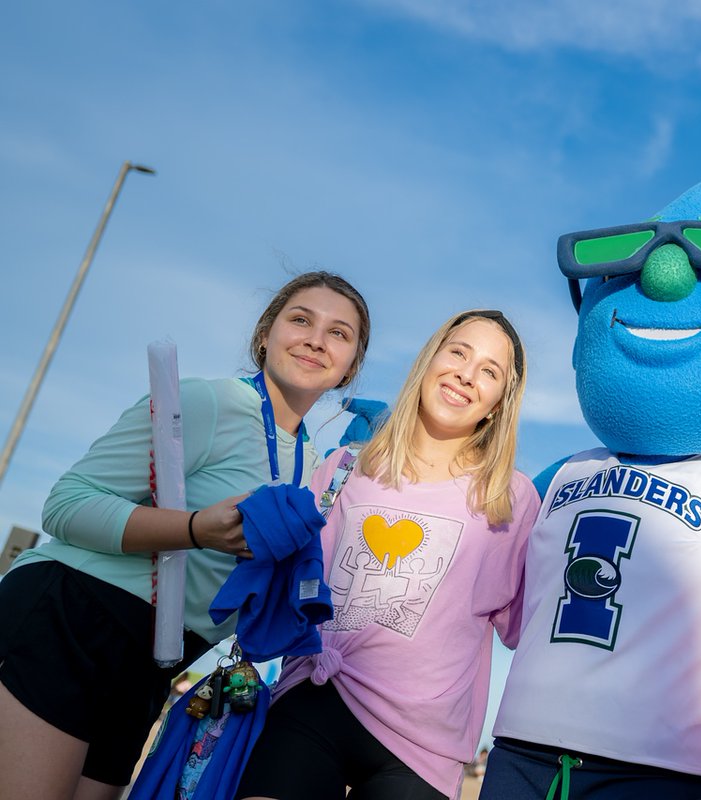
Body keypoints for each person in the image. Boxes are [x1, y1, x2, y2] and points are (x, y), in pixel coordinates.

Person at [0, 271, 371, 800]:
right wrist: (196, 529)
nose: (316, 340)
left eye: (338, 333)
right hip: (72, 619)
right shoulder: (205, 401)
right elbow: (67, 504)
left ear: (351, 365)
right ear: (265, 335)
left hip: (155, 665)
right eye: (301, 320)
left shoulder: (315, 469)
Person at [236, 309, 539, 800]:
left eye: (489, 371)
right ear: (429, 361)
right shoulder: (345, 465)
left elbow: (525, 627)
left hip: (423, 745)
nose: (466, 374)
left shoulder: (510, 497)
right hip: (313, 696)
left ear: (499, 403)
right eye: (458, 352)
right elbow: (291, 577)